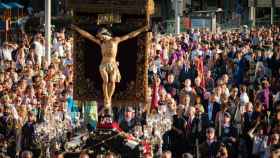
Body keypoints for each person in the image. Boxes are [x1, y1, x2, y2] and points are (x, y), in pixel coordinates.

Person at [72, 23, 149, 112]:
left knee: (112, 82)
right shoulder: (101, 43)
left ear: (105, 34)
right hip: (103, 64)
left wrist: (142, 29)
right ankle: (106, 98)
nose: (99, 38)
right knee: (105, 80)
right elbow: (88, 36)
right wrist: (76, 28)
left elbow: (129, 35)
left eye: (101, 36)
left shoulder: (115, 40)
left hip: (113, 64)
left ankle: (108, 98)